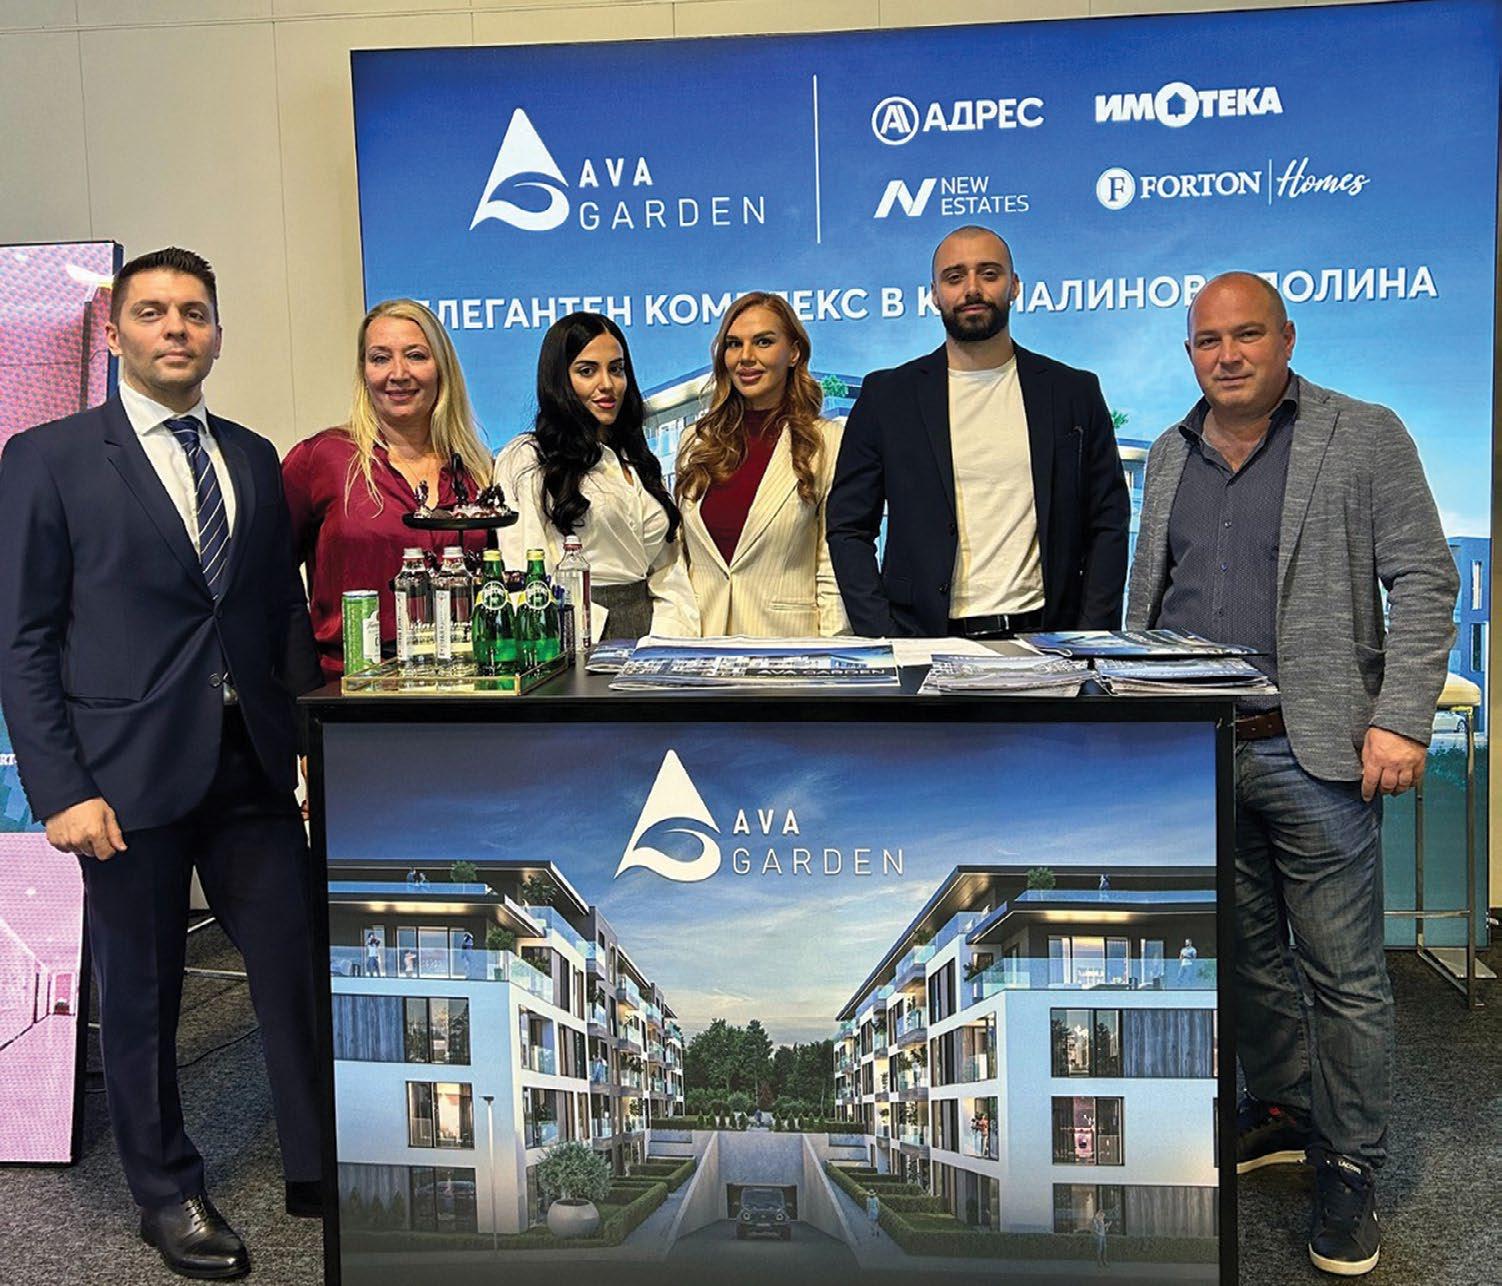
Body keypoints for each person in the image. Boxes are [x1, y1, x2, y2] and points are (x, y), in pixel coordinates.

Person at [0, 247, 326, 1280]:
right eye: (152, 311)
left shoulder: (253, 456)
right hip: (120, 779)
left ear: (218, 333)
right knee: (143, 992)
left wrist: (304, 747)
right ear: (116, 332)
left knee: (297, 969)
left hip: (251, 767)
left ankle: (319, 1164)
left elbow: (278, 613)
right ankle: (166, 1190)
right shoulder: (45, 457)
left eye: (194, 311)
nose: (175, 328)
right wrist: (61, 789)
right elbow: (23, 639)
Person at [1127, 272, 1458, 1278]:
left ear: (1286, 339)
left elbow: (1424, 577)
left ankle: (1350, 1163)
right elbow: (1148, 602)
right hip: (1194, 749)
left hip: (1314, 750)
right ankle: (1278, 1107)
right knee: (1243, 956)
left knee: (1343, 975)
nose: (1226, 355)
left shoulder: (1363, 434)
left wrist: (1398, 718)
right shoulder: (1168, 452)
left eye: (1246, 335)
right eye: (1207, 340)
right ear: (1190, 353)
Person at [827, 225, 1130, 638]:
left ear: (1015, 286)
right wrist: (884, 635)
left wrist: (1091, 637)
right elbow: (848, 527)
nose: (972, 289)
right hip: (923, 641)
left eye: (989, 274)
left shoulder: (1073, 391)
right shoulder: (887, 397)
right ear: (935, 294)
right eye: (954, 277)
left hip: (1048, 641)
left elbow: (1108, 522)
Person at [282, 299, 494, 680]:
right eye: (380, 358)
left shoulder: (479, 471)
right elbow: (269, 579)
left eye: (416, 356)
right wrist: (299, 676)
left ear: (442, 368)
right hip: (352, 690)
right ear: (364, 371)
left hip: (466, 684)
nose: (398, 374)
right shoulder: (323, 459)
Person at [492, 312, 697, 639]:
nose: (607, 384)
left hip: (654, 638)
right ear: (559, 379)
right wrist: (574, 641)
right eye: (587, 371)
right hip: (576, 635)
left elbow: (668, 570)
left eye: (616, 369)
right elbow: (526, 572)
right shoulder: (528, 457)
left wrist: (668, 639)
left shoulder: (637, 460)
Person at [674, 292, 848, 636]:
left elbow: (832, 566)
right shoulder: (695, 441)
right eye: (734, 344)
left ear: (794, 353)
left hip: (789, 648)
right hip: (701, 645)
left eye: (763, 342)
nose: (746, 357)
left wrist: (831, 649)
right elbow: (679, 559)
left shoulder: (828, 441)